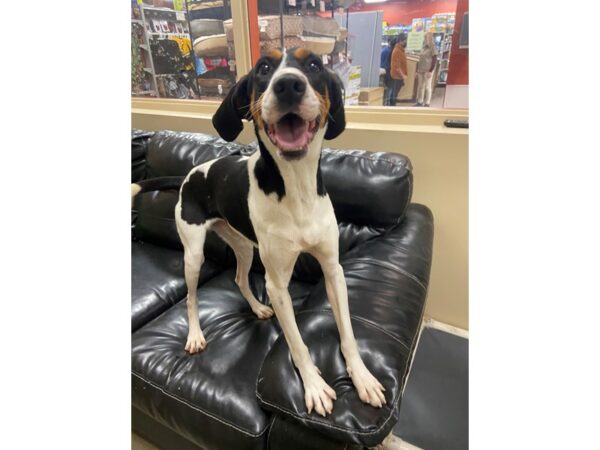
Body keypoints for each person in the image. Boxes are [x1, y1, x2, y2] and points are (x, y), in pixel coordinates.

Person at [415, 32, 438, 107]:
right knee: (420, 86)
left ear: (430, 38)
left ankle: (427, 102)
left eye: (426, 37)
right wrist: (417, 70)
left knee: (428, 86)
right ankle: (420, 101)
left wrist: (431, 71)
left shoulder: (433, 47)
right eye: (424, 37)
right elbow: (420, 59)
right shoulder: (423, 47)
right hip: (420, 69)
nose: (425, 39)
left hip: (428, 69)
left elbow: (434, 59)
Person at [387, 33, 408, 107]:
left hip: (398, 76)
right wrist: (403, 75)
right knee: (394, 95)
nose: (406, 42)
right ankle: (392, 108)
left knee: (394, 93)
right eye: (405, 40)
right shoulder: (397, 51)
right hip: (397, 77)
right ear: (400, 41)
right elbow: (397, 67)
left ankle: (392, 106)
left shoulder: (400, 50)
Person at [381, 37, 396, 106]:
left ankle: (386, 103)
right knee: (389, 89)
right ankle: (387, 103)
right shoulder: (389, 51)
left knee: (387, 88)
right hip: (388, 71)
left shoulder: (384, 50)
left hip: (384, 71)